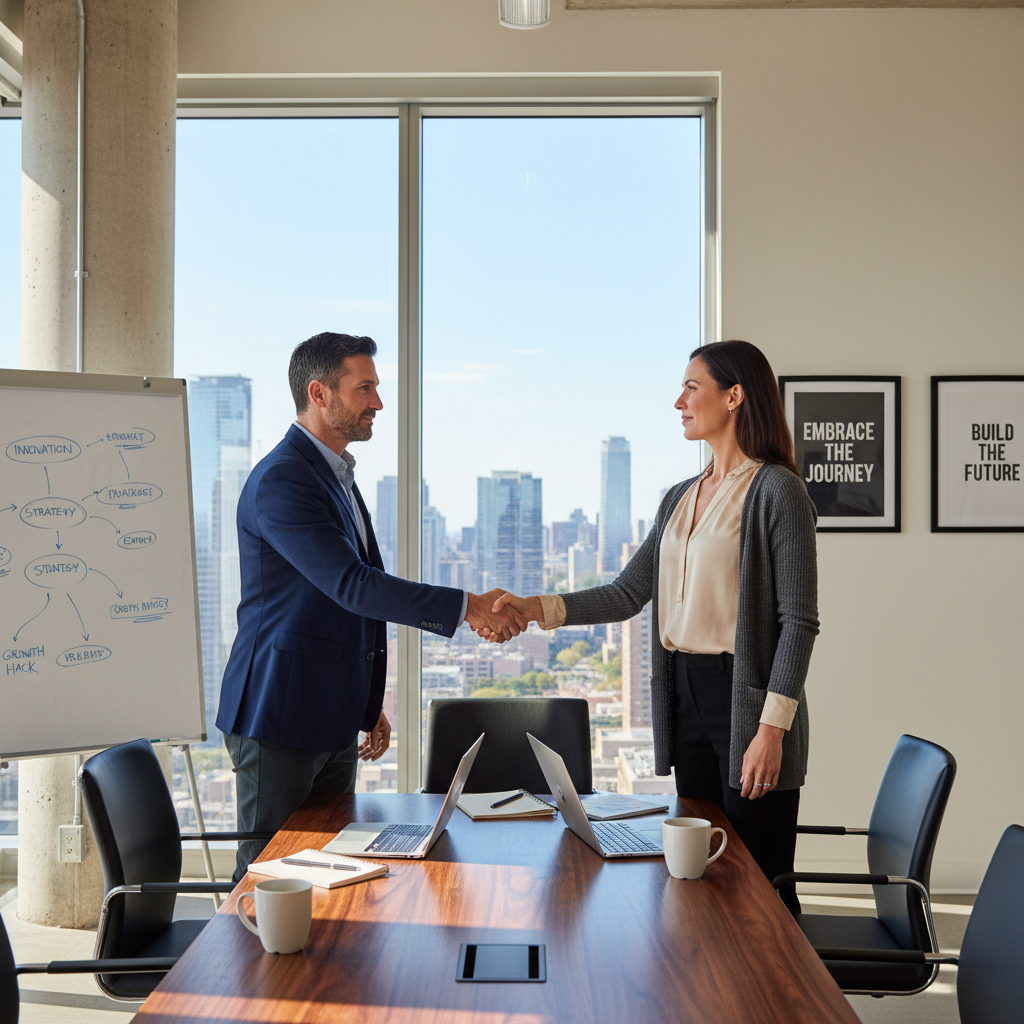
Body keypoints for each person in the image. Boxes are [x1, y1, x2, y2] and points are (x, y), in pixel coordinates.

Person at [490, 340, 818, 911]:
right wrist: (535, 607)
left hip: (747, 697)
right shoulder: (679, 498)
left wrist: (772, 731)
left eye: (692, 388)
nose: (679, 402)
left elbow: (799, 622)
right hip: (685, 695)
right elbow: (627, 593)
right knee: (699, 871)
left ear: (734, 396)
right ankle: (710, 998)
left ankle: (779, 999)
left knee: (758, 884)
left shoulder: (777, 490)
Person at [217, 332, 524, 881]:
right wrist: (468, 606)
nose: (378, 402)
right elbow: (353, 585)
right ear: (320, 393)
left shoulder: (335, 474)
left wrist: (364, 701)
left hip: (327, 714)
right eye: (365, 388)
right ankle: (242, 971)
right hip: (278, 714)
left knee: (328, 868)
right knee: (269, 878)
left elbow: (349, 597)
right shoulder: (284, 480)